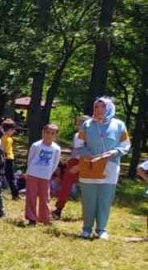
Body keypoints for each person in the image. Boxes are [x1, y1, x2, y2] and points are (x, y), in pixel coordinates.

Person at [74, 96, 130, 239]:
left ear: (109, 108)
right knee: (88, 199)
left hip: (109, 168)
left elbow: (125, 145)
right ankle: (86, 228)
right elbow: (79, 144)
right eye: (96, 107)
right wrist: (90, 156)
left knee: (105, 199)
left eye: (102, 107)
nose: (99, 110)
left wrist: (114, 152)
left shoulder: (118, 125)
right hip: (89, 167)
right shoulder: (87, 124)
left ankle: (102, 229)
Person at [24, 122, 61, 226]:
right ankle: (31, 218)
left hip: (45, 175)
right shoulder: (36, 145)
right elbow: (30, 159)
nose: (49, 135)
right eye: (47, 132)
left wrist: (49, 173)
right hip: (33, 173)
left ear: (55, 136)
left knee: (45, 197)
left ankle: (44, 217)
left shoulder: (56, 148)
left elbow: (55, 163)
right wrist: (28, 172)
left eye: (53, 133)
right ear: (43, 133)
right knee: (31, 196)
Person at [1, 119, 20, 199]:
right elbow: (6, 150)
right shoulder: (9, 139)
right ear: (9, 130)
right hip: (8, 159)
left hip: (1, 159)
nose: (14, 132)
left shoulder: (0, 137)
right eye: (13, 130)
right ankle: (15, 194)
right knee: (11, 178)